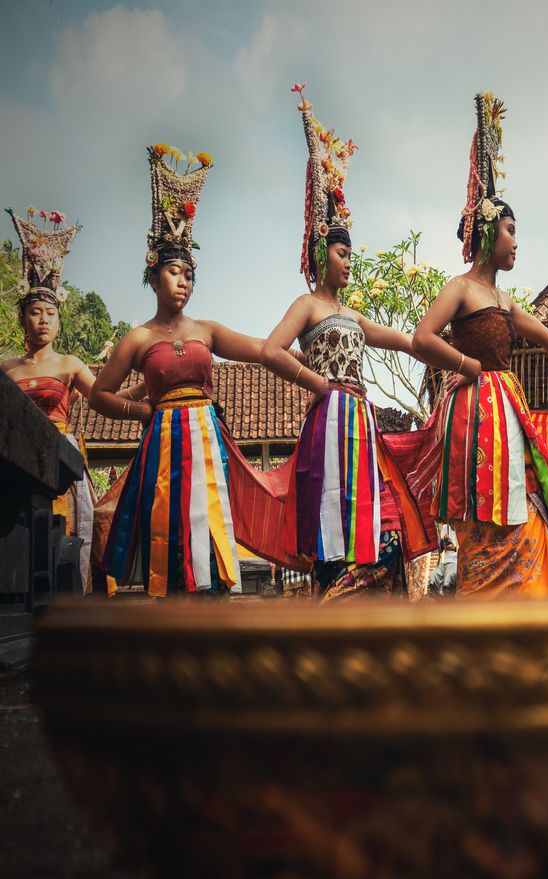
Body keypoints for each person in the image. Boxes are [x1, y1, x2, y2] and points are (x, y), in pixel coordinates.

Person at [91, 144, 300, 596]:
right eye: (172, 271)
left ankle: (215, 607)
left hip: (207, 436)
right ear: (153, 276)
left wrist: (302, 362)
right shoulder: (138, 339)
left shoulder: (207, 330)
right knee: (166, 525)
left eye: (188, 273)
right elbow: (98, 395)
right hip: (163, 440)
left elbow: (264, 349)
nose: (182, 280)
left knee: (211, 522)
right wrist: (142, 414)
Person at [411, 92, 548, 599]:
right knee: (483, 510)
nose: (517, 241)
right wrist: (466, 363)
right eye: (512, 230)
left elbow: (544, 335)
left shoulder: (503, 298)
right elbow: (421, 338)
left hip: (504, 409)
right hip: (474, 412)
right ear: (490, 230)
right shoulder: (460, 288)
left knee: (521, 504)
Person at [260, 84, 432, 599]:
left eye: (350, 253)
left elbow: (402, 342)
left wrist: (442, 344)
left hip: (360, 418)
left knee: (382, 526)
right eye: (340, 252)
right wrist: (321, 385)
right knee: (332, 527)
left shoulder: (352, 314)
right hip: (329, 420)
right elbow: (271, 351)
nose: (348, 261)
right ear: (320, 256)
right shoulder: (307, 306)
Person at [3, 206, 137, 592]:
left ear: (59, 321)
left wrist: (143, 393)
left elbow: (103, 397)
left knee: (59, 537)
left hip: (57, 458)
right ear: (22, 320)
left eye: (49, 313)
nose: (42, 319)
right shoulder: (7, 370)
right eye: (34, 312)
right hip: (15, 459)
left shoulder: (69, 364)